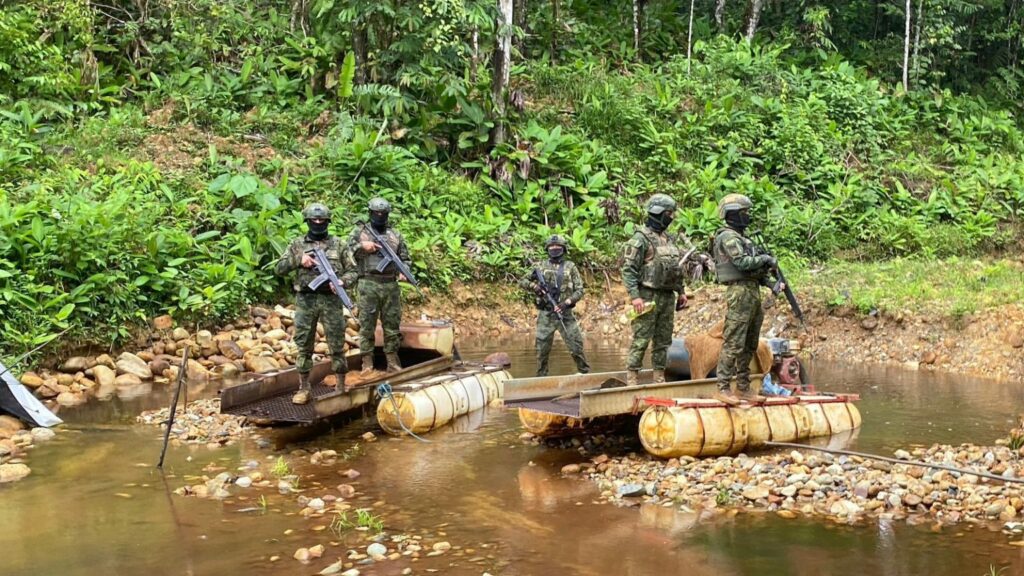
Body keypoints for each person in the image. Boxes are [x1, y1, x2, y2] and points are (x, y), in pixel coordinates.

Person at [275, 203, 356, 405]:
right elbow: (279, 268)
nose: (318, 223)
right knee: (304, 344)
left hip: (331, 300)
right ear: (307, 221)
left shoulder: (339, 245)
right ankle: (304, 388)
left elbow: (354, 271)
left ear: (328, 222)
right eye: (314, 220)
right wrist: (299, 259)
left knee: (336, 342)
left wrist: (342, 282)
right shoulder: (297, 245)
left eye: (322, 220)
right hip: (306, 299)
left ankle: (340, 385)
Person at [712, 193, 776, 406]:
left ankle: (743, 387)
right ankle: (723, 387)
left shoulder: (743, 239)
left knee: (750, 343)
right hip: (739, 292)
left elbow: (753, 269)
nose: (747, 216)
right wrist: (764, 259)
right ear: (733, 214)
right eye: (744, 212)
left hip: (752, 291)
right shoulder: (728, 237)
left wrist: (770, 281)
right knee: (734, 341)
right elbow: (741, 263)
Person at [622, 193, 688, 386]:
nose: (671, 217)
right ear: (658, 213)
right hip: (646, 296)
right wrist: (635, 296)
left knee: (663, 340)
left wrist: (681, 292)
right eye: (668, 213)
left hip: (667, 296)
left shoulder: (668, 239)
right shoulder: (640, 239)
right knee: (641, 338)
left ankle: (659, 377)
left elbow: (675, 269)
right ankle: (632, 377)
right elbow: (629, 270)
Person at [348, 197, 410, 374]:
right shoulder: (359, 232)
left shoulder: (395, 235)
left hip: (390, 285)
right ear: (370, 213)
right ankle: (367, 363)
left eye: (383, 213)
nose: (380, 216)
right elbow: (346, 253)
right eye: (376, 213)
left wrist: (404, 271)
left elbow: (405, 259)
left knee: (392, 326)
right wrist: (362, 246)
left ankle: (392, 361)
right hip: (368, 283)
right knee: (367, 325)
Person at [518, 235, 591, 377]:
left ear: (563, 249)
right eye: (551, 246)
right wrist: (535, 287)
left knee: (576, 346)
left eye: (558, 246)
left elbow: (579, 290)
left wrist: (566, 303)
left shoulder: (570, 267)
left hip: (565, 314)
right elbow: (522, 281)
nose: (554, 248)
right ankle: (541, 378)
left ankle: (584, 374)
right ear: (547, 249)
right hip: (546, 314)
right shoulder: (540, 266)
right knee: (541, 350)